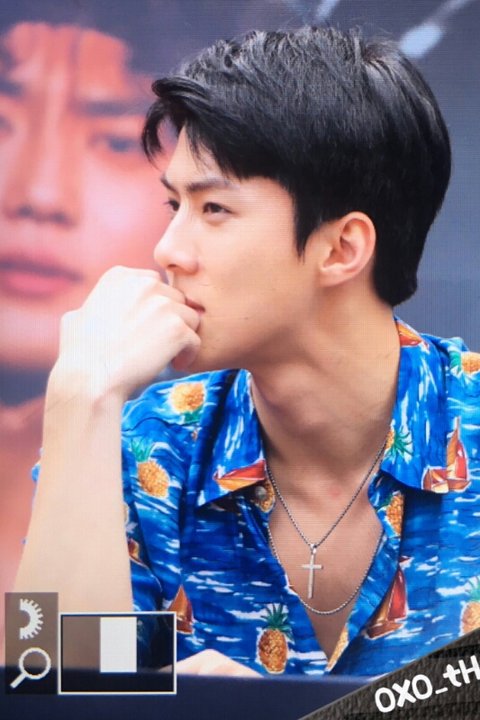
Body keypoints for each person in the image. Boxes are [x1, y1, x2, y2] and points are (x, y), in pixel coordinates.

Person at [15, 26, 480, 677]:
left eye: (214, 209)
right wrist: (81, 399)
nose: (168, 251)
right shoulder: (148, 450)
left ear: (341, 249)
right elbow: (52, 689)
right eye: (174, 205)